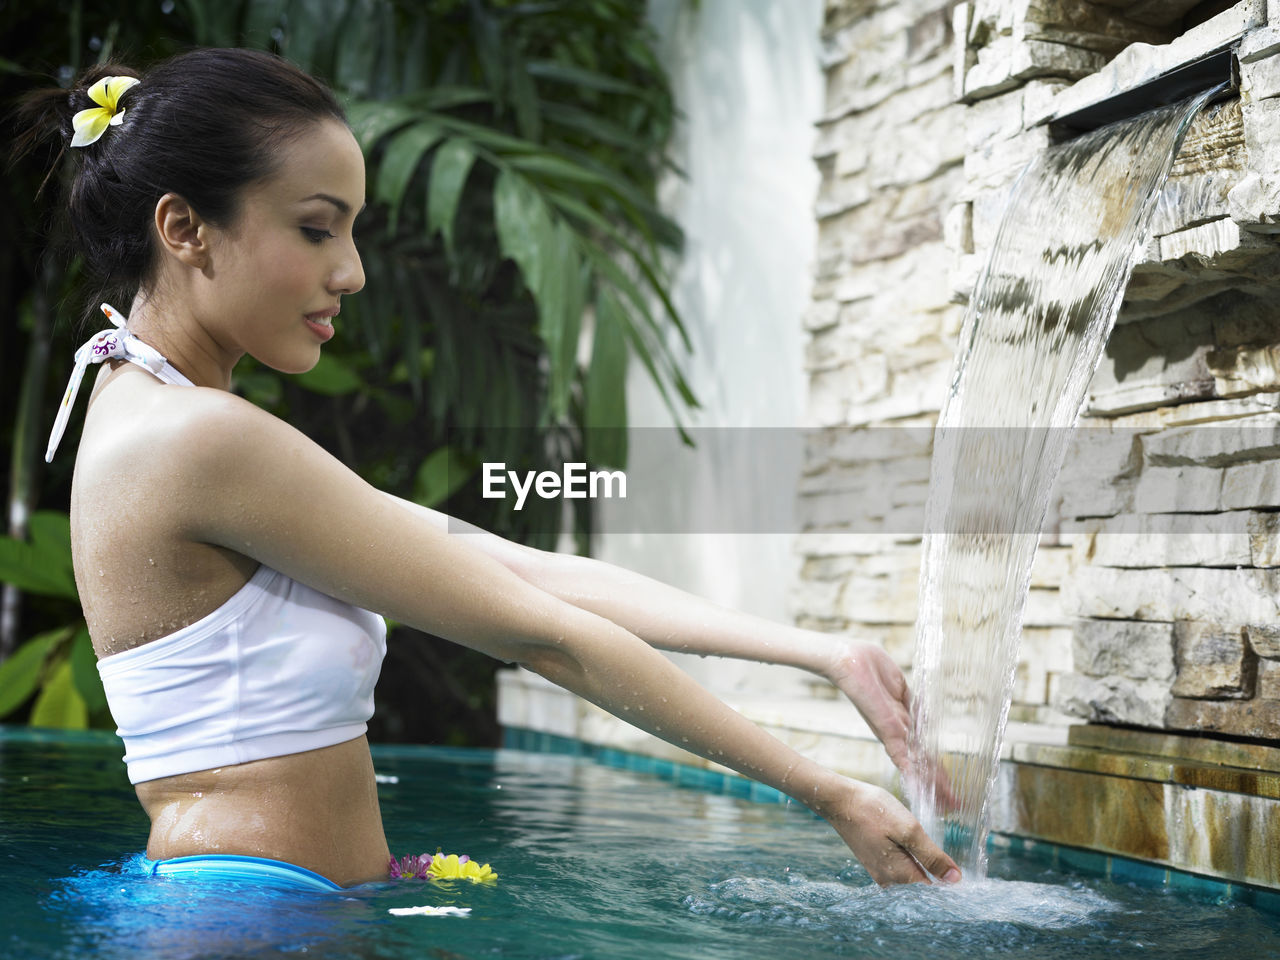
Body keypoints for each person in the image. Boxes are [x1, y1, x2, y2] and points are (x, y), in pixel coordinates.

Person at [18, 47, 960, 891]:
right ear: (183, 228)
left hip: (253, 900)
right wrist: (829, 792)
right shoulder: (198, 437)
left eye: (352, 231)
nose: (351, 271)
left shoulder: (145, 403)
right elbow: (543, 636)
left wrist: (823, 653)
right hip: (248, 920)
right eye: (316, 229)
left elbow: (505, 564)